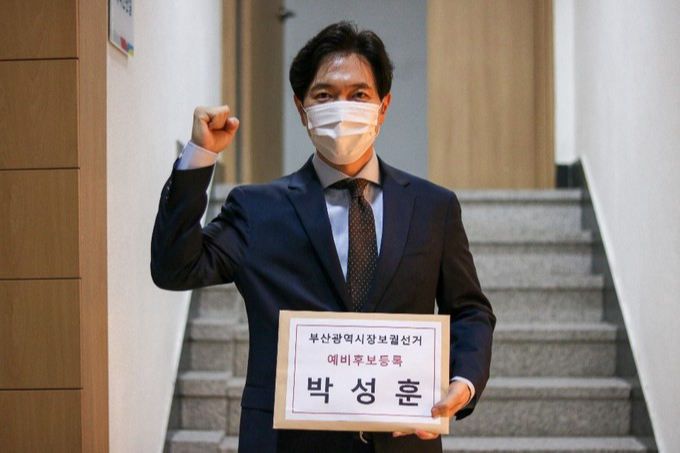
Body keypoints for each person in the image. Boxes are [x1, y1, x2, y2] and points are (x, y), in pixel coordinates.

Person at [151, 21, 495, 453]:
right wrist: (199, 156)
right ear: (302, 109)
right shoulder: (257, 209)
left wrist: (464, 380)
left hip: (402, 442)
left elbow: (469, 309)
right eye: (325, 95)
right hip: (288, 444)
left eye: (359, 95)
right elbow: (175, 268)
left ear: (383, 106)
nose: (342, 107)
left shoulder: (433, 207)